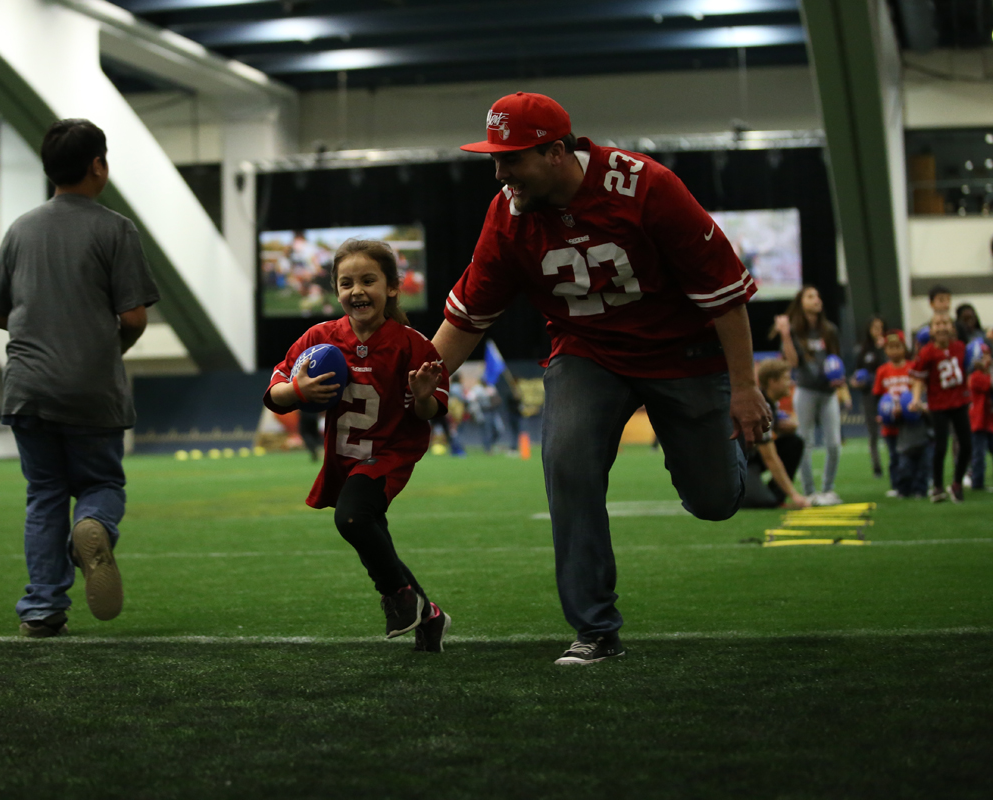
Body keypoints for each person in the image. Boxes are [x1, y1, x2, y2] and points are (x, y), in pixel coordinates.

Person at [430, 92, 768, 665]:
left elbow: (725, 291)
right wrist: (427, 381)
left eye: (511, 158)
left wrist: (744, 388)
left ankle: (720, 455)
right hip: (588, 353)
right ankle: (595, 629)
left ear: (556, 153)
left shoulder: (647, 187)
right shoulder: (506, 214)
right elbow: (468, 317)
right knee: (567, 464)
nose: (499, 172)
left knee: (714, 502)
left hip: (682, 352)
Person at [0, 119, 159, 637]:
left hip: (28, 389)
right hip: (91, 390)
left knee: (44, 495)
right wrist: (101, 350)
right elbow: (134, 317)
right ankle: (94, 525)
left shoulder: (21, 229)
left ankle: (41, 608)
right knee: (101, 483)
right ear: (97, 166)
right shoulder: (115, 228)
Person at [264, 239, 454, 652]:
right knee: (371, 532)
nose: (357, 290)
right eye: (346, 282)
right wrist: (296, 389)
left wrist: (422, 395)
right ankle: (430, 616)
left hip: (390, 452)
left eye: (368, 280)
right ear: (336, 290)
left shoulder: (413, 345)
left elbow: (429, 412)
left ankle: (399, 597)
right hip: (345, 454)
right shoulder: (319, 337)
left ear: (391, 288)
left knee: (352, 518)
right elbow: (275, 390)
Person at [772, 285, 847, 506]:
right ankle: (810, 491)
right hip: (805, 391)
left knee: (834, 443)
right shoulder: (795, 330)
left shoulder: (829, 329)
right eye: (810, 296)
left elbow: (837, 360)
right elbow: (792, 363)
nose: (816, 299)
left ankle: (828, 490)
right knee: (805, 442)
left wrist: (840, 381)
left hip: (828, 392)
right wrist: (785, 334)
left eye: (818, 296)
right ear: (801, 302)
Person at [910, 313, 973, 502]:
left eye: (945, 323)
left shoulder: (961, 348)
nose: (942, 327)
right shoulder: (927, 352)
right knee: (941, 446)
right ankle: (937, 486)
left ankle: (957, 483)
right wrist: (915, 399)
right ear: (931, 330)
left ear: (952, 328)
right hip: (938, 404)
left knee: (967, 445)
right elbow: (918, 377)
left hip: (960, 401)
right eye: (937, 324)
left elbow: (967, 370)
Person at [742, 359, 809, 509]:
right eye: (786, 378)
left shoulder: (769, 403)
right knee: (760, 502)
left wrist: (778, 427)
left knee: (794, 443)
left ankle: (777, 497)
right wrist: (795, 495)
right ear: (772, 382)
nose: (790, 383)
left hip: (750, 457)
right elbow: (770, 457)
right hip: (739, 462)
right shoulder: (761, 407)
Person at [872, 330, 915, 497]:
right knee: (894, 456)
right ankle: (897, 486)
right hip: (890, 422)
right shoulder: (882, 371)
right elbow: (878, 395)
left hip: (909, 421)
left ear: (904, 348)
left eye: (898, 347)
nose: (894, 351)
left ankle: (915, 483)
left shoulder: (912, 368)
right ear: (885, 350)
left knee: (910, 453)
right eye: (890, 347)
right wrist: (880, 413)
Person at [852, 315, 887, 478]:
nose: (878, 331)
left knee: (892, 430)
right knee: (873, 433)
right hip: (869, 395)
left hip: (887, 395)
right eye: (875, 328)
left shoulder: (888, 347)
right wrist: (855, 382)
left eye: (880, 328)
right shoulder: (863, 350)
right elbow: (857, 373)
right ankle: (877, 467)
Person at [967, 342, 992, 491]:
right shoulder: (976, 377)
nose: (987, 359)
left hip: (988, 421)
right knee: (979, 454)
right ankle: (977, 482)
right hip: (978, 422)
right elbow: (989, 385)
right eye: (983, 356)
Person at [913, 285, 952, 353]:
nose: (946, 304)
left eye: (948, 300)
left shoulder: (958, 327)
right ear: (931, 303)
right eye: (941, 300)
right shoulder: (923, 331)